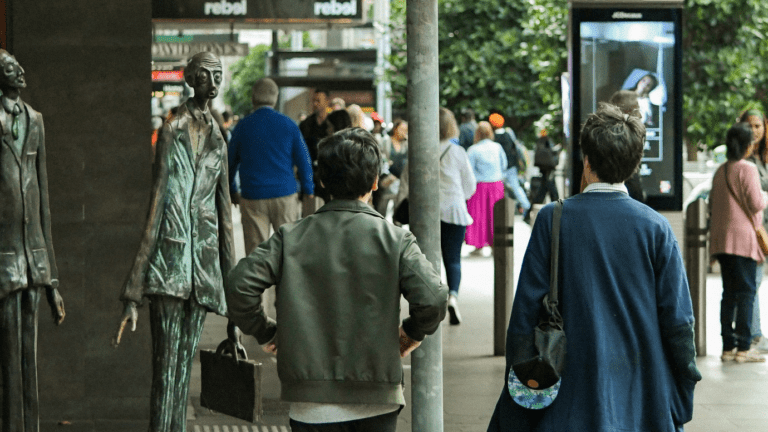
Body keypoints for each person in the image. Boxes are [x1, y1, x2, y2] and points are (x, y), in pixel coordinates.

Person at [488, 103, 701, 431]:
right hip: (642, 401)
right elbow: (679, 325)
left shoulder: (552, 219)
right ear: (635, 164)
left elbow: (523, 318)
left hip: (566, 403)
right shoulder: (656, 228)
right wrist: (679, 399)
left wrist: (520, 399)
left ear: (586, 160)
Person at [225, 127, 448, 432]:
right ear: (374, 182)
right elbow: (434, 297)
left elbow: (239, 285)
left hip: (310, 404)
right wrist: (411, 332)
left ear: (322, 181)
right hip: (377, 399)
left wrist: (266, 333)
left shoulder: (291, 237)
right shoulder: (395, 239)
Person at [113, 52, 241, 432]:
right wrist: (134, 287)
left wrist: (232, 308)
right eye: (205, 75)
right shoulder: (172, 128)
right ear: (190, 79)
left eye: (217, 75)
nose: (212, 83)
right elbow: (156, 205)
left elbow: (225, 219)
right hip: (169, 263)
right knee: (165, 374)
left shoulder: (219, 136)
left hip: (201, 270)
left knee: (183, 373)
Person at [0, 49, 66, 432]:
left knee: (31, 359)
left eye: (19, 66)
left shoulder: (36, 120)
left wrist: (53, 281)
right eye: (10, 68)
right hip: (5, 257)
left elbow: (43, 200)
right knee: (9, 362)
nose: (20, 71)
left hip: (33, 259)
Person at [228, 78, 315, 256]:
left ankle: (260, 284)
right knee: (287, 251)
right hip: (285, 195)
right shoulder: (289, 125)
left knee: (256, 254)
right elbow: (304, 160)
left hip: (253, 197)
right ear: (275, 98)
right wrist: (308, 190)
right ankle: (284, 283)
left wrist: (232, 190)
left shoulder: (242, 127)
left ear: (253, 98)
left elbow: (229, 164)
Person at [710, 122, 768, 363]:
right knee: (746, 293)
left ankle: (727, 347)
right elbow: (756, 204)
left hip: (723, 241)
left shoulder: (721, 170)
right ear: (747, 146)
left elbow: (712, 204)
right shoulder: (747, 169)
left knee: (728, 293)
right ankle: (743, 348)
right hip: (743, 240)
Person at [438, 108, 477, 324]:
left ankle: (431, 302)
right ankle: (453, 296)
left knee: (429, 260)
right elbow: (470, 185)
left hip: (429, 212)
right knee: (453, 259)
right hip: (454, 211)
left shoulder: (422, 149)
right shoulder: (457, 152)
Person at [741, 108, 768, 352]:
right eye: (749, 126)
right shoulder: (743, 160)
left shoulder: (762, 157)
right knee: (754, 281)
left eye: (758, 126)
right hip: (756, 228)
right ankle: (754, 333)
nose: (755, 131)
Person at [465, 121, 507, 254]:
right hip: (496, 185)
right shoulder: (497, 147)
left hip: (480, 186)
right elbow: (504, 164)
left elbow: (468, 170)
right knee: (495, 215)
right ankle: (495, 245)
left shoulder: (473, 149)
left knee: (479, 216)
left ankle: (479, 245)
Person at [609, 90, 647, 203]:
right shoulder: (620, 142)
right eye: (637, 110)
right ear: (625, 112)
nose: (640, 116)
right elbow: (634, 187)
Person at [489, 113, 531, 215]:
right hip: (511, 166)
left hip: (499, 168)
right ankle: (526, 206)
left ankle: (500, 209)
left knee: (500, 189)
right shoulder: (508, 133)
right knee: (516, 187)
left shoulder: (494, 138)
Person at [524, 131, 560, 223]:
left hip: (544, 170)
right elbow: (552, 151)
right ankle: (559, 216)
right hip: (549, 171)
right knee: (552, 194)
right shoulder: (548, 141)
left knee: (542, 193)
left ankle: (528, 214)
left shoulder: (540, 142)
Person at [299, 89, 330, 165]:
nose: (315, 104)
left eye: (318, 101)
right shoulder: (305, 124)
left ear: (327, 101)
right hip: (310, 168)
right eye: (313, 101)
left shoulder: (333, 123)